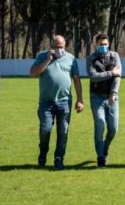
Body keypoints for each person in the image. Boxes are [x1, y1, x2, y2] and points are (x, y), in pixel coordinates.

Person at [29, 34, 84, 170]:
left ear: (65, 46)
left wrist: (80, 100)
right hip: (46, 102)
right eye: (56, 47)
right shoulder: (42, 56)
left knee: (63, 132)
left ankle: (59, 160)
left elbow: (76, 80)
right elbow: (32, 73)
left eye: (62, 47)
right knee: (45, 129)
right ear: (51, 47)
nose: (59, 50)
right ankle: (43, 152)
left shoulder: (71, 58)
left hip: (65, 101)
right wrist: (48, 60)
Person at [87, 34, 122, 168]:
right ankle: (101, 157)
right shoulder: (91, 58)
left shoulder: (115, 56)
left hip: (112, 97)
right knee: (100, 124)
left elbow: (118, 76)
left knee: (113, 129)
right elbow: (93, 76)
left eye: (106, 44)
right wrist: (111, 73)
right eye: (101, 44)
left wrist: (113, 93)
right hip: (96, 97)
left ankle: (105, 148)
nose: (104, 47)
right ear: (96, 45)